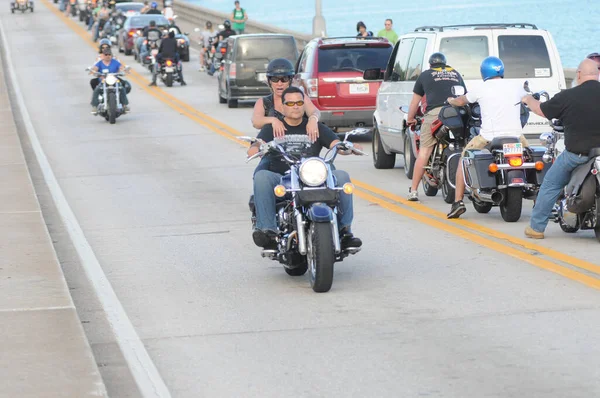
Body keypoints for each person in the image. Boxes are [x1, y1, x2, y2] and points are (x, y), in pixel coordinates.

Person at [248, 86, 362, 250]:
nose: (295, 106)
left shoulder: (315, 127)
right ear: (283, 106)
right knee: (262, 177)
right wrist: (259, 148)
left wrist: (349, 146)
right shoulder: (271, 128)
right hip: (282, 178)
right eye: (291, 103)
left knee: (342, 176)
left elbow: (336, 144)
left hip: (312, 177)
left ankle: (345, 231)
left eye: (299, 102)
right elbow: (253, 148)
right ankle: (268, 231)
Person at [521, 58, 600, 239]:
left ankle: (537, 228)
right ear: (597, 74)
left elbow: (542, 110)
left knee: (551, 184)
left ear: (579, 74)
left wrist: (529, 100)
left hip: (577, 156)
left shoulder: (568, 96)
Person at [445, 56, 529, 218]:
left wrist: (451, 100)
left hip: (488, 137)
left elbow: (462, 101)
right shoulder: (516, 86)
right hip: (516, 136)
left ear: (484, 72)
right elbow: (528, 99)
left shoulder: (480, 88)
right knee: (530, 154)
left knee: (464, 159)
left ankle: (458, 202)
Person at [406, 52, 466, 201]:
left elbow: (415, 101)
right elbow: (464, 95)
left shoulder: (425, 75)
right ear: (444, 64)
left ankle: (413, 190)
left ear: (430, 64)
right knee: (466, 147)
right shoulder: (455, 73)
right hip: (457, 112)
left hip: (436, 113)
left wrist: (410, 118)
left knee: (424, 152)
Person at [252, 58, 321, 142]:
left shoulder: (300, 97)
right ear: (269, 81)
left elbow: (315, 111)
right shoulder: (263, 102)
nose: (279, 83)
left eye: (284, 79)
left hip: (299, 146)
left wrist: (313, 119)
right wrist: (273, 120)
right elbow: (256, 121)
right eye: (275, 79)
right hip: (273, 149)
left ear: (290, 80)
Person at [89, 48, 130, 114]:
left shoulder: (115, 62)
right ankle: (95, 106)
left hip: (114, 80)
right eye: (106, 54)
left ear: (111, 55)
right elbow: (94, 69)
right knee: (97, 89)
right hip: (103, 81)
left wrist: (125, 70)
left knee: (122, 88)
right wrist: (93, 72)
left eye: (109, 54)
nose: (108, 56)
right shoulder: (100, 63)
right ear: (103, 55)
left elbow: (121, 67)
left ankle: (125, 106)